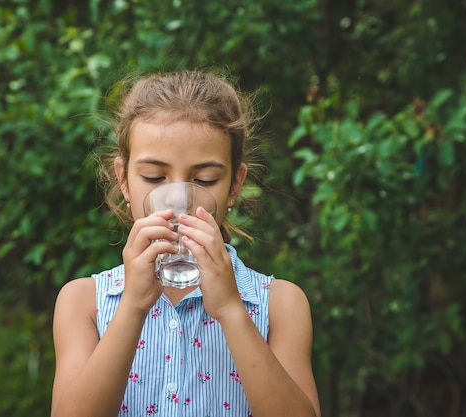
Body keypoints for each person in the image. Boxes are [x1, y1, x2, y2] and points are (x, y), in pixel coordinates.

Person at [50, 70, 321, 417]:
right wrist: (132, 306)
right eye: (154, 177)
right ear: (124, 180)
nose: (177, 200)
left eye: (204, 179)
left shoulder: (280, 304)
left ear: (235, 185)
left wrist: (230, 310)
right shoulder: (85, 302)